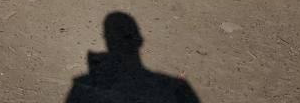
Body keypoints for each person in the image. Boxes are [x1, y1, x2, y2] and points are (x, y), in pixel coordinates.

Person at [66, 12, 200, 103]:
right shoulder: (177, 89)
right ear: (139, 40)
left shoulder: (83, 89)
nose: (120, 44)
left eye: (124, 37)